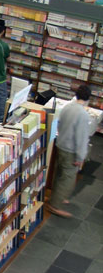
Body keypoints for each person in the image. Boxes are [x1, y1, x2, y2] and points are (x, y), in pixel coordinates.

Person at [46, 85, 92, 218]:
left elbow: (59, 124)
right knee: (67, 179)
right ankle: (55, 205)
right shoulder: (83, 114)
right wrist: (80, 156)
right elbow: (81, 137)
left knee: (59, 174)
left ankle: (55, 197)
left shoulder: (67, 107)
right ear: (88, 98)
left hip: (60, 145)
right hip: (71, 150)